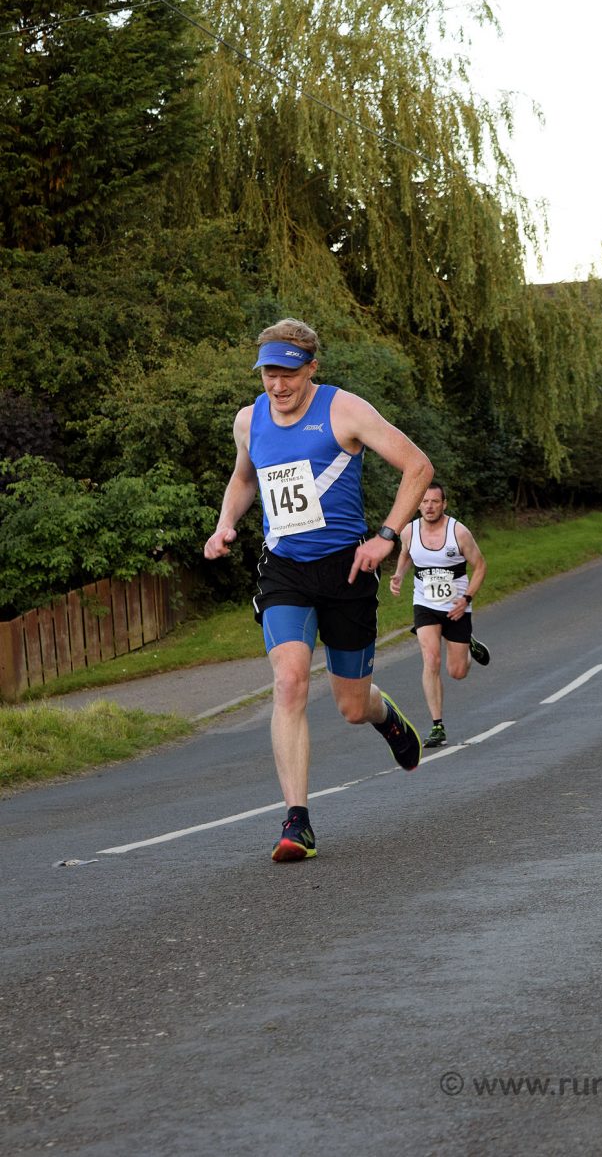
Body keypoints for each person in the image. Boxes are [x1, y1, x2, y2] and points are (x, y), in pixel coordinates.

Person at [204, 318, 433, 863]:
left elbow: (418, 466)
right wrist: (224, 524)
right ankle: (297, 822)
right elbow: (244, 478)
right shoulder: (249, 420)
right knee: (289, 682)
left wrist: (386, 536)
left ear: (311, 368)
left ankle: (384, 716)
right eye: (268, 374)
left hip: (346, 570)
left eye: (288, 373)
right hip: (285, 569)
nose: (277, 385)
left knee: (351, 705)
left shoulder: (344, 410)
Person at [389, 482, 490, 748]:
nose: (430, 507)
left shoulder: (459, 532)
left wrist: (467, 599)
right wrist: (399, 575)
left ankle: (468, 645)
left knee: (457, 672)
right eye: (425, 502)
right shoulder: (409, 531)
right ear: (418, 505)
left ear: (444, 504)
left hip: (456, 606)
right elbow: (406, 555)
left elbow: (480, 566)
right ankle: (437, 726)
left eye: (435, 501)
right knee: (431, 659)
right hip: (425, 604)